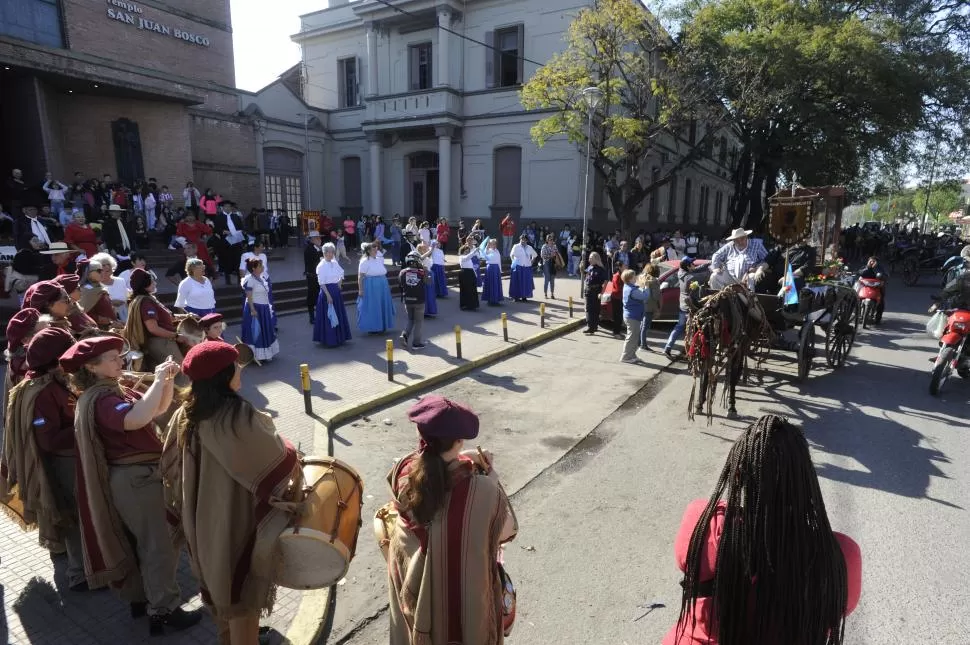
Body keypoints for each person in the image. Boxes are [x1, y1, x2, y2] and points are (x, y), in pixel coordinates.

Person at [664, 415, 862, 645]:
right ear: (806, 480)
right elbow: (840, 610)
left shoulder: (703, 523)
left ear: (737, 476)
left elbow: (686, 562)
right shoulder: (841, 556)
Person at [160, 342, 302, 645]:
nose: (241, 369)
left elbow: (170, 465)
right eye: (236, 365)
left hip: (199, 516)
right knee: (241, 595)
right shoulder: (237, 417)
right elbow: (278, 458)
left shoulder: (185, 413)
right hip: (233, 516)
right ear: (224, 376)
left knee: (216, 583)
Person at [63, 336, 203, 635]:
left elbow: (156, 409)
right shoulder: (100, 399)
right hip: (134, 480)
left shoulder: (111, 389)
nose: (121, 361)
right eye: (113, 358)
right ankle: (163, 609)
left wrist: (165, 382)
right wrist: (158, 381)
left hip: (138, 478)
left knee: (146, 543)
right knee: (158, 546)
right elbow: (137, 419)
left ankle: (143, 601)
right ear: (92, 366)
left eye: (118, 356)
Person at [385, 396, 517, 644]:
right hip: (457, 602)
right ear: (459, 440)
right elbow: (508, 531)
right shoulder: (482, 491)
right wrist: (493, 480)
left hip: (410, 596)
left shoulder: (403, 471)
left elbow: (434, 470)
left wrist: (463, 458)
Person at [1, 327, 86, 589]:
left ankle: (70, 558)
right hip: (62, 462)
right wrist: (85, 427)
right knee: (73, 516)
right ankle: (79, 575)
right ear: (55, 359)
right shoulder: (42, 392)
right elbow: (47, 438)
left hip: (69, 458)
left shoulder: (52, 381)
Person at [124, 268, 189, 373]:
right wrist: (176, 336)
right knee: (179, 372)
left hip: (162, 341)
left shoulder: (147, 298)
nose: (155, 283)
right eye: (152, 281)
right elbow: (153, 328)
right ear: (145, 284)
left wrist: (185, 317)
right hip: (160, 343)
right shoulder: (146, 302)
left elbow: (167, 317)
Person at [663, 257, 702, 360]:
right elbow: (703, 275)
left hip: (682, 305)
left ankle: (668, 348)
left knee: (679, 327)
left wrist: (708, 264)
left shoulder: (681, 271)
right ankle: (690, 352)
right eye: (692, 264)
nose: (694, 265)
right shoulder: (690, 277)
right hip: (689, 307)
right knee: (692, 329)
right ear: (688, 266)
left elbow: (697, 269)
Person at [241, 258, 280, 361]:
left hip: (264, 308)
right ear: (253, 268)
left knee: (265, 330)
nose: (262, 267)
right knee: (256, 332)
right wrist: (252, 309)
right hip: (256, 308)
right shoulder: (249, 280)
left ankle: (266, 354)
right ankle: (255, 355)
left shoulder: (261, 278)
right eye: (259, 265)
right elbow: (248, 296)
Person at [314, 242, 351, 347]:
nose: (330, 254)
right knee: (328, 316)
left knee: (338, 314)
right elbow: (321, 282)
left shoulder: (334, 263)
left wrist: (339, 283)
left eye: (332, 252)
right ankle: (329, 339)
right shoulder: (321, 265)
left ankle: (339, 337)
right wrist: (328, 295)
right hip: (327, 292)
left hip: (336, 290)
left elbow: (341, 273)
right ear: (324, 253)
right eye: (328, 252)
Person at [357, 242, 396, 333]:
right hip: (371, 286)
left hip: (382, 284)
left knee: (382, 305)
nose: (375, 250)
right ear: (368, 251)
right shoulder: (364, 261)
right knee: (373, 306)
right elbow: (360, 277)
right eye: (373, 249)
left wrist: (387, 285)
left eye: (376, 249)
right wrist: (360, 289)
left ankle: (382, 325)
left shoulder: (379, 259)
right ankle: (373, 327)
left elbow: (382, 271)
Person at [398, 252, 431, 351]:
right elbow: (428, 283)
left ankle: (404, 336)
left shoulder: (402, 272)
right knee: (419, 322)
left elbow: (400, 283)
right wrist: (426, 271)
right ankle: (416, 343)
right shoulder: (421, 272)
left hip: (407, 299)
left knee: (410, 320)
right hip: (419, 300)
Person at [78, 257, 121, 330]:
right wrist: (106, 320)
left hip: (111, 328)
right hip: (98, 331)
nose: (102, 272)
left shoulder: (98, 288)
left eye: (102, 270)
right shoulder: (85, 290)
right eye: (99, 270)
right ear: (88, 273)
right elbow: (83, 314)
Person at [619, 269, 650, 364]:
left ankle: (632, 355)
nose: (636, 277)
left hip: (632, 315)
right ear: (629, 279)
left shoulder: (629, 286)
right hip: (632, 317)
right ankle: (625, 357)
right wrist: (647, 286)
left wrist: (642, 283)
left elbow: (637, 288)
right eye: (634, 276)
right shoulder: (632, 290)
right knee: (631, 337)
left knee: (634, 337)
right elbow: (645, 296)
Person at [583, 252, 609, 335]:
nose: (589, 259)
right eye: (589, 258)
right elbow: (585, 275)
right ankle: (590, 326)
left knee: (595, 309)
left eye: (591, 258)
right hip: (588, 290)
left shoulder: (601, 269)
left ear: (596, 259)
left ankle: (594, 326)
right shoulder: (589, 267)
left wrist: (602, 292)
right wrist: (581, 269)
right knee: (588, 308)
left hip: (596, 290)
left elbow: (605, 281)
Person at [638, 264, 661, 351]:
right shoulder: (654, 281)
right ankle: (643, 345)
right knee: (645, 326)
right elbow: (655, 296)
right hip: (650, 306)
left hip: (641, 304)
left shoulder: (641, 277)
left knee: (641, 325)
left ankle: (638, 342)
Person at [858, 256, 887, 323]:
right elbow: (861, 273)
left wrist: (876, 268)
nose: (872, 262)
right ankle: (856, 314)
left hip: (876, 287)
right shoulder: (865, 267)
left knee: (881, 300)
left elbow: (885, 275)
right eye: (870, 261)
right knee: (856, 296)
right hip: (865, 286)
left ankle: (878, 318)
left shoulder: (880, 268)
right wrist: (868, 267)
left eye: (874, 261)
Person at [509, 234, 537, 303]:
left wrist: (531, 261)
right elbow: (511, 255)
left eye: (524, 239)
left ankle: (524, 297)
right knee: (517, 282)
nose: (523, 241)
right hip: (518, 266)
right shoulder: (516, 246)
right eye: (522, 239)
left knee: (525, 283)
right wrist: (514, 262)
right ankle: (516, 297)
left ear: (527, 240)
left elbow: (535, 255)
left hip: (527, 267)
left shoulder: (529, 247)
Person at [304, 230, 324, 325]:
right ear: (312, 239)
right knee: (312, 296)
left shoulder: (319, 248)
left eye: (319, 237)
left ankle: (320, 314)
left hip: (319, 276)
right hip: (312, 277)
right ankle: (312, 317)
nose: (319, 239)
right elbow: (316, 262)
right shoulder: (309, 249)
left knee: (319, 296)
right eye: (317, 238)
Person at [457, 237, 481, 311]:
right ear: (462, 251)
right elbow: (468, 257)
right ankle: (465, 305)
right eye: (465, 251)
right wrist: (473, 252)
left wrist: (475, 274)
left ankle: (472, 305)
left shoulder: (468, 257)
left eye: (468, 251)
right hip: (464, 274)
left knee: (472, 290)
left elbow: (471, 267)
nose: (467, 252)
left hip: (470, 274)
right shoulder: (461, 257)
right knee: (465, 290)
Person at [540, 233, 563, 300]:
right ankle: (545, 294)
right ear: (547, 240)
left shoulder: (554, 246)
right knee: (547, 279)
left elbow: (557, 254)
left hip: (553, 264)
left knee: (552, 279)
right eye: (549, 239)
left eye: (552, 239)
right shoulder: (544, 246)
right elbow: (542, 256)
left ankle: (552, 294)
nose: (551, 241)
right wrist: (550, 256)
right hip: (546, 263)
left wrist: (555, 255)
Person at [482, 238, 504, 306]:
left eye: (495, 243)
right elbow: (484, 255)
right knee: (490, 284)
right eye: (492, 244)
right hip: (490, 269)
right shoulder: (488, 250)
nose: (494, 245)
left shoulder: (497, 251)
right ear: (490, 244)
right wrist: (487, 247)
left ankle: (496, 300)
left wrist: (500, 270)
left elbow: (499, 261)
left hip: (496, 269)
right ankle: (490, 300)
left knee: (496, 285)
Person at [608, 260, 626, 337]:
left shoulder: (622, 275)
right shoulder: (617, 276)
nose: (625, 267)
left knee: (620, 316)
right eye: (624, 266)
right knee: (617, 316)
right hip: (616, 298)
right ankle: (616, 332)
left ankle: (618, 332)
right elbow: (618, 288)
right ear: (620, 267)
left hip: (620, 298)